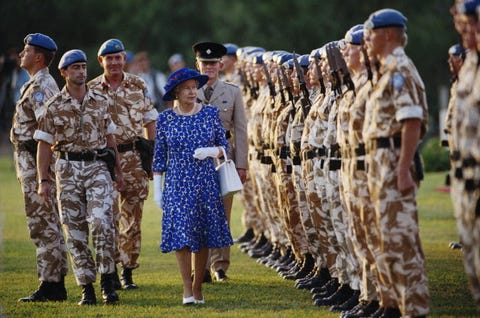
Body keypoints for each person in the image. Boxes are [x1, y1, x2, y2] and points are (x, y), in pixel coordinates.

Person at [34, 49, 122, 305]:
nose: (81, 72)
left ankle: (107, 279)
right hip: (68, 169)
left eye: (83, 67)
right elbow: (43, 144)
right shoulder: (53, 106)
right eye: (75, 68)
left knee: (101, 222)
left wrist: (118, 172)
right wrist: (43, 180)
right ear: (64, 72)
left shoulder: (100, 100)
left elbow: (110, 137)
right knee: (74, 231)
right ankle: (87, 287)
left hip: (97, 167)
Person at [363, 8, 430, 317]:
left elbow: (412, 122)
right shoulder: (385, 69)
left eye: (371, 33)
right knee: (386, 241)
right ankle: (393, 306)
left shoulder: (400, 68)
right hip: (381, 165)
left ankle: (414, 309)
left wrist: (403, 169)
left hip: (392, 163)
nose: (367, 39)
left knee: (402, 244)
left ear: (388, 35)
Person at [152, 67, 233, 305]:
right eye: (186, 88)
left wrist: (211, 151)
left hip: (205, 182)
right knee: (182, 238)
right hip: (177, 184)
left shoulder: (209, 113)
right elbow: (158, 158)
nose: (192, 92)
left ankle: (198, 287)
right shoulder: (165, 118)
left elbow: (225, 148)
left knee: (203, 235)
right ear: (176, 92)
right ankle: (187, 289)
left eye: (194, 87)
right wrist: (157, 191)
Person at [88, 39, 159, 290]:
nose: (115, 62)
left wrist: (151, 157)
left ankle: (128, 270)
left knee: (133, 218)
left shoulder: (138, 84)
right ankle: (111, 269)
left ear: (124, 59)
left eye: (118, 58)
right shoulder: (91, 88)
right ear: (101, 61)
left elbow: (151, 120)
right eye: (110, 58)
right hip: (104, 160)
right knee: (108, 218)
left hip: (133, 157)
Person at [10, 33, 69, 303]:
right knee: (45, 223)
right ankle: (53, 282)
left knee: (43, 224)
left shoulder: (42, 86)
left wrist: (43, 176)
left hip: (37, 164)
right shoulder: (34, 83)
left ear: (38, 57)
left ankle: (51, 284)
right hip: (31, 163)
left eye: (26, 50)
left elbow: (48, 131)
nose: (22, 53)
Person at [193, 41, 248, 282]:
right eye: (205, 63)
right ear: (197, 64)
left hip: (224, 159)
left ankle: (220, 265)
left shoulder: (232, 91)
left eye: (213, 63)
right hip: (196, 160)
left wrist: (242, 164)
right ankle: (200, 267)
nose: (209, 67)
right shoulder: (188, 90)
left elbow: (240, 130)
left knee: (222, 215)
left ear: (221, 64)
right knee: (198, 214)